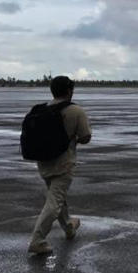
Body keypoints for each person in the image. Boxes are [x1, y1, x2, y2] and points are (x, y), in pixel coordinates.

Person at [28, 75, 91, 255]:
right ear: (69, 91)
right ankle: (37, 240)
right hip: (63, 164)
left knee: (57, 196)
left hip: (44, 163)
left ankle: (69, 226)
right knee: (54, 202)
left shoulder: (44, 109)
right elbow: (86, 136)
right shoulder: (75, 110)